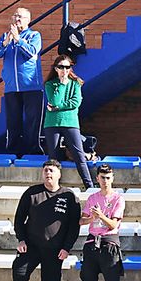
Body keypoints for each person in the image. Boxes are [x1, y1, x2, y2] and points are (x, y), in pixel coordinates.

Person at [8, 160, 81, 281]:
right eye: (46, 170)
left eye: (51, 171)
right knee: (19, 272)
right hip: (31, 246)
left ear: (59, 174)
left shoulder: (69, 196)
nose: (48, 174)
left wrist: (66, 248)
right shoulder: (32, 193)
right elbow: (19, 218)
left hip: (55, 250)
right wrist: (21, 239)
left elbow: (73, 226)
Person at [0, 7, 43, 156]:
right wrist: (6, 41)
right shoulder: (5, 36)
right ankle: (14, 151)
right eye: (15, 16)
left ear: (28, 20)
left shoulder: (34, 35)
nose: (17, 19)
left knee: (32, 121)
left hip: (31, 87)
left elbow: (31, 52)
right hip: (11, 88)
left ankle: (33, 151)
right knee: (13, 122)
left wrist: (18, 40)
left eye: (21, 17)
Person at [81, 164, 125, 281]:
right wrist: (92, 217)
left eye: (108, 178)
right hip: (92, 242)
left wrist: (101, 216)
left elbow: (113, 224)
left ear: (112, 178)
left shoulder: (118, 198)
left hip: (109, 243)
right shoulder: (92, 198)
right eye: (102, 177)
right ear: (97, 178)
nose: (105, 181)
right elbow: (82, 220)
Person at [43, 56, 92, 190]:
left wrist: (58, 108)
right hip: (52, 124)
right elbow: (54, 100)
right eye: (61, 67)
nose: (64, 70)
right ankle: (54, 187)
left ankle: (89, 186)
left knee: (78, 154)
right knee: (53, 157)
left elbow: (75, 102)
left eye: (67, 67)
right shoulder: (50, 84)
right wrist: (62, 85)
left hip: (70, 122)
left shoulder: (76, 83)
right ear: (56, 69)